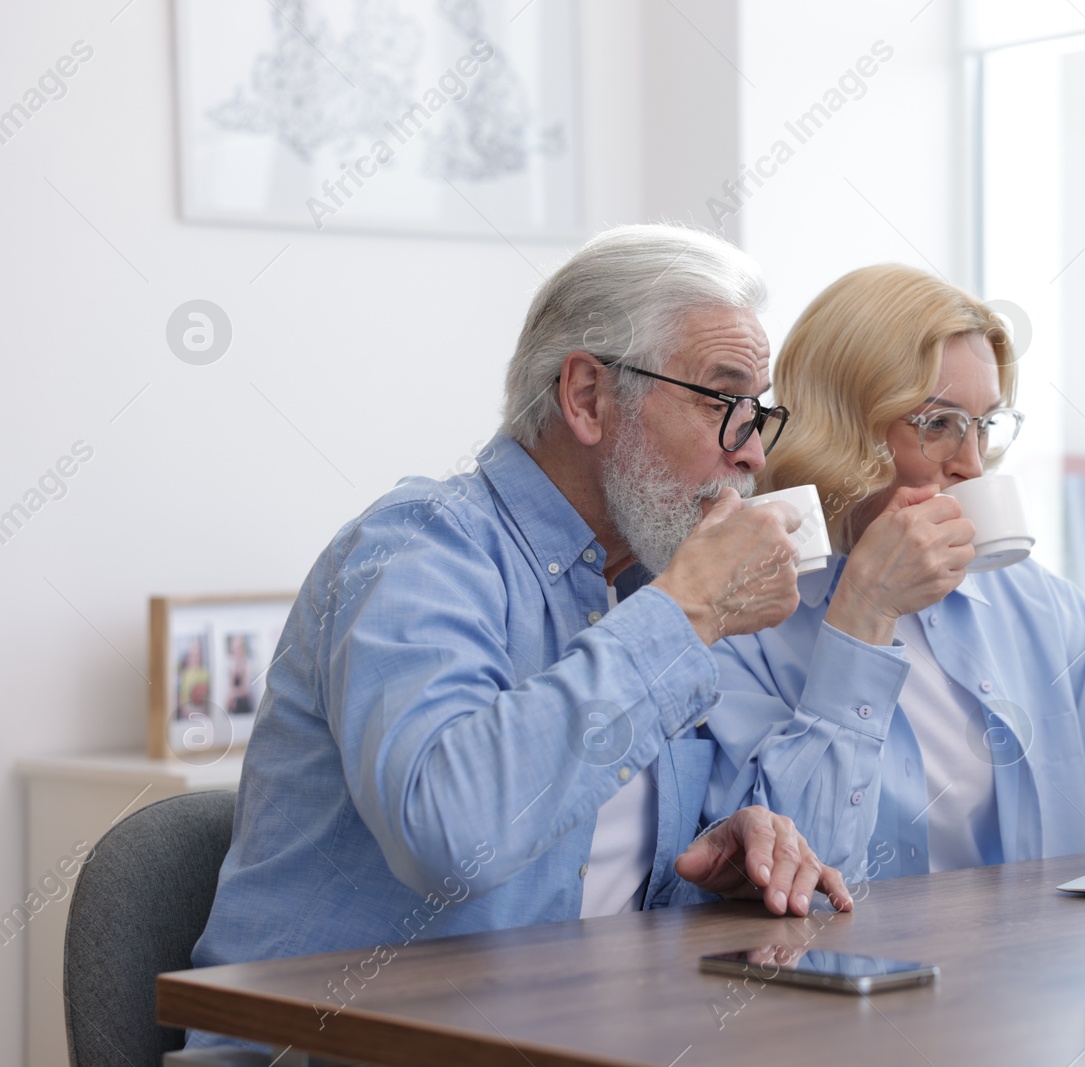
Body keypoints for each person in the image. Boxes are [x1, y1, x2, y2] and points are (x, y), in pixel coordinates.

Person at [187, 225, 853, 1050]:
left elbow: (584, 871)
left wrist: (721, 852)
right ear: (586, 397)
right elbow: (453, 833)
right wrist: (690, 613)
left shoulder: (646, 583)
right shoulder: (421, 548)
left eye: (759, 413)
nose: (752, 451)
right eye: (723, 403)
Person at [705, 264, 1085, 883]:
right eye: (939, 425)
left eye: (984, 426)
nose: (973, 466)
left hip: (1029, 969)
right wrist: (864, 612)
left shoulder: (1028, 602)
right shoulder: (734, 619)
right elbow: (787, 874)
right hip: (836, 974)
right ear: (844, 428)